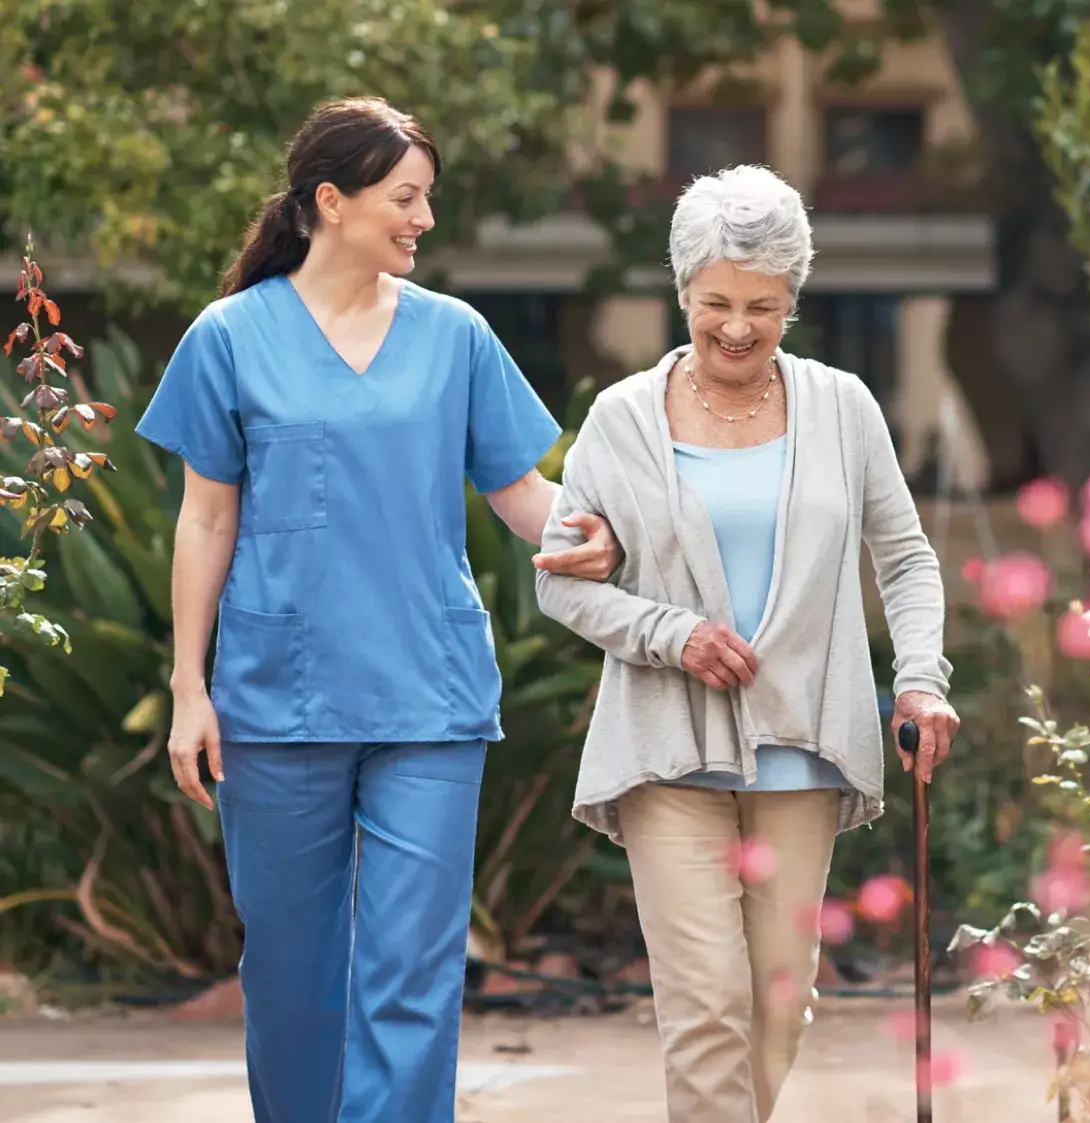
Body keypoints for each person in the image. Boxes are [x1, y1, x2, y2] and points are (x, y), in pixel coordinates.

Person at [135, 96, 623, 1123]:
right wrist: (189, 687)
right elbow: (205, 523)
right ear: (331, 201)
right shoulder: (230, 337)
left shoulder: (457, 337)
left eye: (427, 201)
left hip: (428, 697)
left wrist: (602, 540)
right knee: (291, 978)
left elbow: (523, 492)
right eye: (406, 198)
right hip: (277, 700)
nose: (423, 221)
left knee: (413, 975)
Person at [535, 163, 961, 1122]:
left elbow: (907, 559)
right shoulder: (622, 419)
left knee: (776, 1003)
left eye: (763, 306)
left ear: (793, 302)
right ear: (682, 290)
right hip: (666, 750)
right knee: (705, 1006)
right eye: (716, 301)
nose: (736, 326)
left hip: (803, 751)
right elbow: (559, 588)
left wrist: (921, 681)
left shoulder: (843, 409)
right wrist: (670, 634)